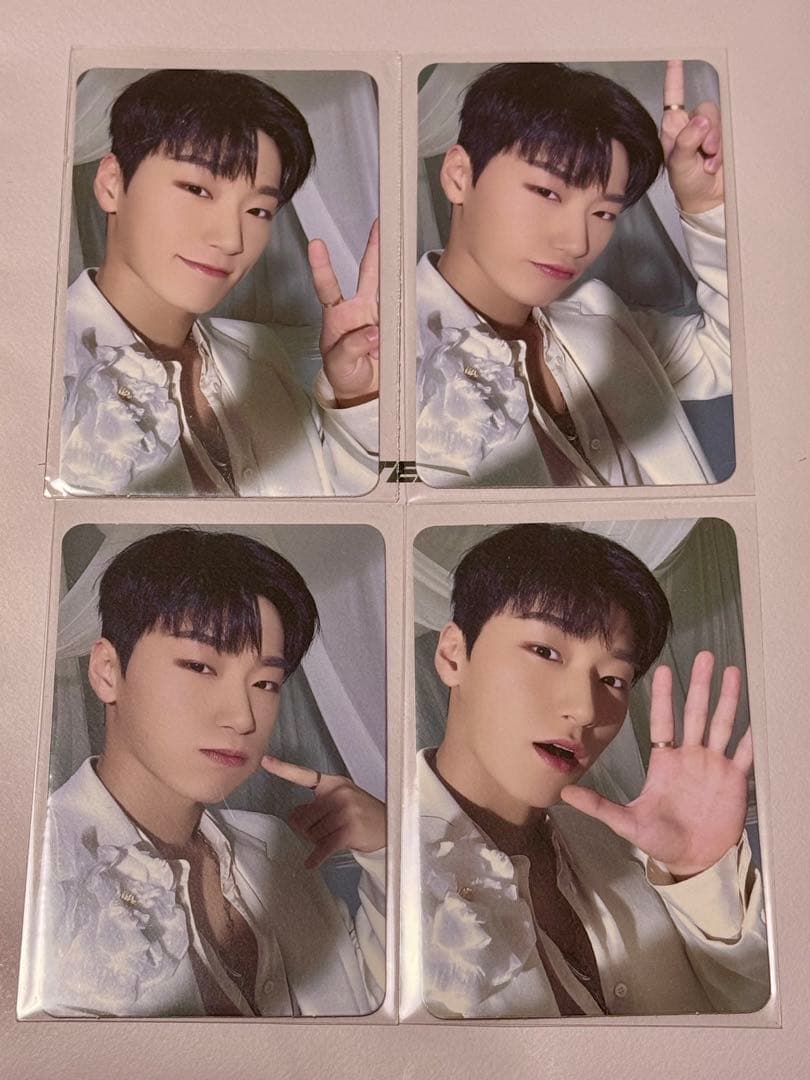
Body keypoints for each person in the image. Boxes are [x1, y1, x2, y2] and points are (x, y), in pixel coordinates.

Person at [18, 529, 386, 1018]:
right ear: (107, 670)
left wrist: (386, 852)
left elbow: (372, 1013)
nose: (243, 717)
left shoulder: (276, 847)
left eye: (266, 683)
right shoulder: (32, 872)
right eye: (199, 667)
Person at [419, 524, 768, 1018]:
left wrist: (697, 869)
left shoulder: (630, 848)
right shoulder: (387, 870)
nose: (585, 710)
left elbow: (753, 1013)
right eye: (545, 652)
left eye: (613, 679)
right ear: (453, 654)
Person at [56, 69, 380, 497]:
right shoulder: (39, 370)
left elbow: (335, 507)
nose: (231, 239)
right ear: (112, 183)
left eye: (259, 210)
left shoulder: (261, 357)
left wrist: (357, 400)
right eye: (197, 189)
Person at [416, 61, 731, 487]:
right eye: (548, 192)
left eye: (604, 213)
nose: (578, 243)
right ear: (459, 176)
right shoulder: (384, 364)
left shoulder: (601, 316)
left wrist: (705, 206)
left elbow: (733, 354)